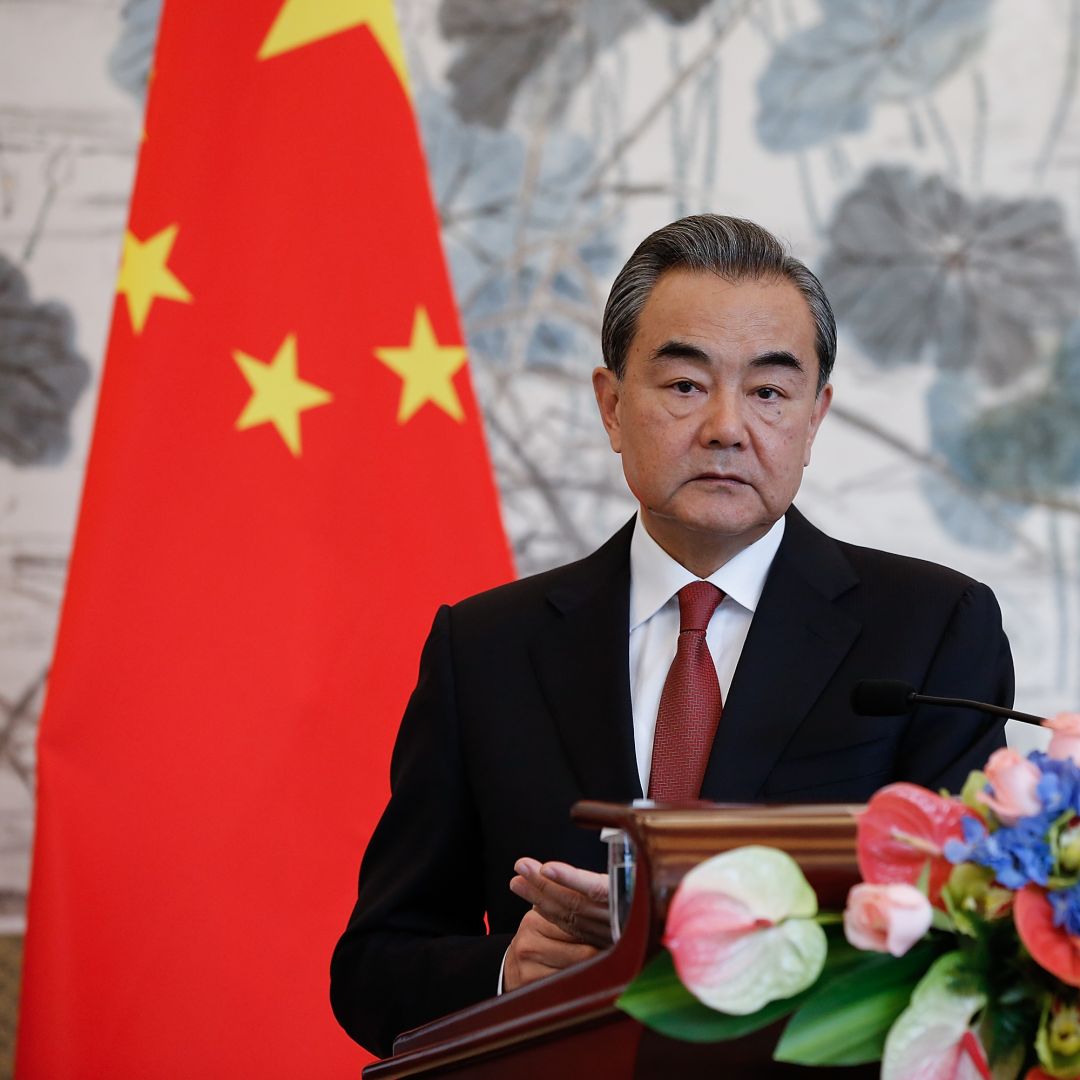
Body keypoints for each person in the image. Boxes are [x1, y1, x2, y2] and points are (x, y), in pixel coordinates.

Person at [329, 214, 1012, 1057]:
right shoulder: (487, 649)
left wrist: (664, 942)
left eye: (768, 391)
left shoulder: (932, 631)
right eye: (686, 385)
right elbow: (374, 968)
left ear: (814, 417)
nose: (727, 426)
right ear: (612, 407)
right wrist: (510, 970)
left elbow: (968, 948)